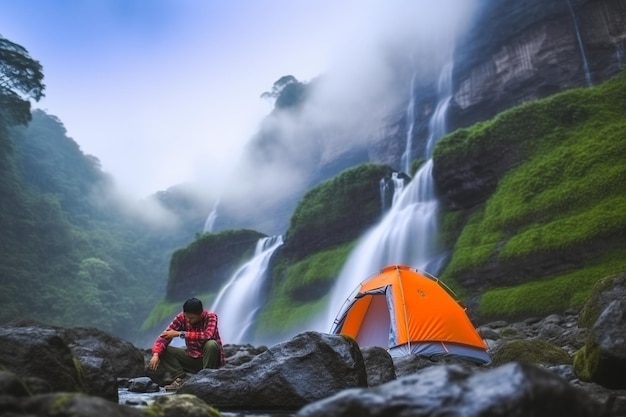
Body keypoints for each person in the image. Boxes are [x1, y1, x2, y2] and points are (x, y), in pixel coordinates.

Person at [149, 297, 225, 391]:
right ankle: (180, 379)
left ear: (200, 314)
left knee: (211, 344)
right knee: (163, 350)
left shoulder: (211, 317)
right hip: (192, 357)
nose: (188, 320)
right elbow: (164, 336)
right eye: (186, 317)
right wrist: (156, 354)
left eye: (192, 318)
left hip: (209, 359)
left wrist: (180, 334)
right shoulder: (182, 317)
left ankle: (206, 378)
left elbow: (207, 335)